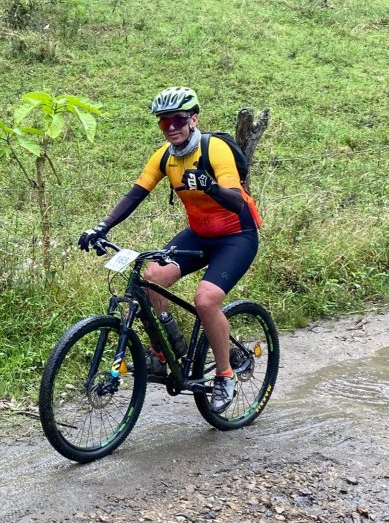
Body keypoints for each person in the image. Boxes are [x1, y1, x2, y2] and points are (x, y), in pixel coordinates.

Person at [77, 86, 262, 413]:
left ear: (193, 119)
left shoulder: (214, 149)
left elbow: (236, 201)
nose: (172, 127)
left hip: (237, 235)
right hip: (199, 235)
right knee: (150, 278)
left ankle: (225, 375)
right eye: (165, 122)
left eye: (178, 119)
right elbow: (135, 194)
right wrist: (102, 227)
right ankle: (163, 352)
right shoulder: (165, 156)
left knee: (205, 300)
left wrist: (209, 186)